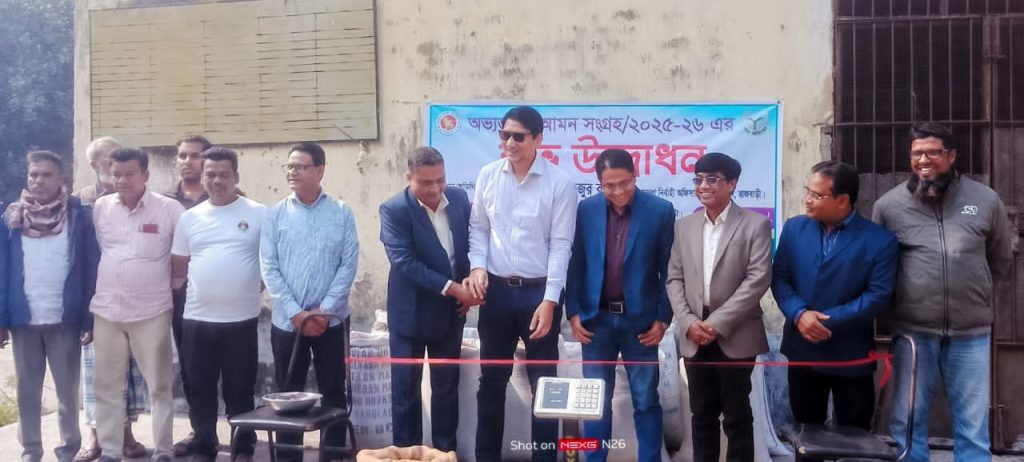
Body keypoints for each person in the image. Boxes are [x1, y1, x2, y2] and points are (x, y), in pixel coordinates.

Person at [873, 123, 1013, 462]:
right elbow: (878, 267)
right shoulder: (889, 206)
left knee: (972, 424)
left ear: (951, 155)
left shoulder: (984, 200)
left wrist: (975, 294)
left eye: (933, 152)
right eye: (917, 153)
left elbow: (999, 258)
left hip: (971, 334)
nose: (924, 160)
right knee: (909, 420)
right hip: (913, 333)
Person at [465, 106, 577, 462]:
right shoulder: (488, 175)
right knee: (491, 382)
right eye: (504, 135)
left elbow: (561, 245)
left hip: (539, 294)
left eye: (518, 136)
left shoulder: (559, 183)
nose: (509, 143)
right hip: (496, 293)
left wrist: (550, 299)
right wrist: (478, 266)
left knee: (545, 386)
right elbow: (478, 229)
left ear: (538, 139)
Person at [565, 148, 675, 462]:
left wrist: (662, 318)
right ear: (599, 183)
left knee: (645, 400)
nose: (618, 191)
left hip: (640, 324)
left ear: (635, 175)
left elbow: (669, 270)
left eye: (624, 183)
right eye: (609, 185)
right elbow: (577, 263)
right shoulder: (586, 210)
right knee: (595, 401)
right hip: (595, 322)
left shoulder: (660, 211)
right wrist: (573, 312)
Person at [772, 160, 898, 430]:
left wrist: (824, 321)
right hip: (803, 348)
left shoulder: (879, 240)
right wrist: (800, 314)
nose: (807, 200)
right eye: (807, 191)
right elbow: (780, 279)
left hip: (850, 351)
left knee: (854, 435)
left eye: (817, 195)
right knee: (806, 432)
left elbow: (877, 295)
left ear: (842, 200)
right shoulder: (794, 229)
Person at [666, 152, 772, 462]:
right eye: (698, 180)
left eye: (712, 179)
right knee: (701, 414)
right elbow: (674, 278)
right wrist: (688, 322)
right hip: (694, 334)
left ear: (731, 184)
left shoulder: (755, 224)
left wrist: (716, 323)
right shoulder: (684, 226)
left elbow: (758, 279)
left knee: (737, 415)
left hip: (735, 333)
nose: (703, 186)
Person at [261, 142, 359, 462]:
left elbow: (348, 265)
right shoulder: (275, 214)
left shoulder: (341, 212)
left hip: (331, 321)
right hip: (288, 322)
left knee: (333, 390)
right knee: (288, 392)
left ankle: (333, 454)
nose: (293, 172)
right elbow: (269, 267)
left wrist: (324, 311)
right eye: (289, 166)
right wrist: (297, 313)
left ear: (320, 170)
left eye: (300, 166)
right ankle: (289, 456)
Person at [0, 151, 99, 462]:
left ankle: (68, 449)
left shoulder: (79, 217)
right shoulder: (11, 218)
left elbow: (90, 268)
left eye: (46, 174)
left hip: (64, 319)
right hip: (24, 319)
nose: (38, 180)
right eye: (33, 174)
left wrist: (88, 317)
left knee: (68, 393)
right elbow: (2, 270)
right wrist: (2, 318)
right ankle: (31, 450)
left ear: (61, 178)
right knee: (27, 392)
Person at [379, 146, 478, 452]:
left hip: (450, 314)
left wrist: (468, 283)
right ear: (408, 178)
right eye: (425, 182)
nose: (435, 188)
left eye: (440, 179)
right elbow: (404, 261)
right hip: (409, 315)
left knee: (446, 390)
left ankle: (445, 453)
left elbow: (471, 245)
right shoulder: (394, 209)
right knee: (405, 393)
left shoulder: (459, 199)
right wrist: (453, 287)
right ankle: (407, 455)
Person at [90, 147, 184, 462]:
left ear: (146, 174)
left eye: (130, 174)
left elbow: (183, 255)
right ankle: (111, 451)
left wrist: (168, 288)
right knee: (106, 386)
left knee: (159, 386)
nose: (122, 180)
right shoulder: (101, 208)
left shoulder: (169, 209)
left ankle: (164, 450)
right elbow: (101, 251)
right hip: (107, 312)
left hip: (152, 312)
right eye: (116, 174)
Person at [171, 147, 265, 462]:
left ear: (236, 176)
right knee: (200, 388)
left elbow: (269, 263)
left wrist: (245, 288)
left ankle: (243, 447)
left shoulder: (259, 213)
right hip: (197, 319)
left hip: (241, 319)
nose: (217, 180)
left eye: (224, 174)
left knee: (240, 388)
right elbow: (179, 268)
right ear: (203, 177)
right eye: (210, 174)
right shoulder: (189, 218)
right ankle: (204, 446)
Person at [165, 134, 212, 458]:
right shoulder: (165, 203)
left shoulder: (229, 197)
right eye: (182, 155)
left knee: (234, 372)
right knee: (192, 369)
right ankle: (202, 433)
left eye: (195, 155)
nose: (187, 161)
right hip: (181, 298)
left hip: (225, 298)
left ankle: (242, 434)